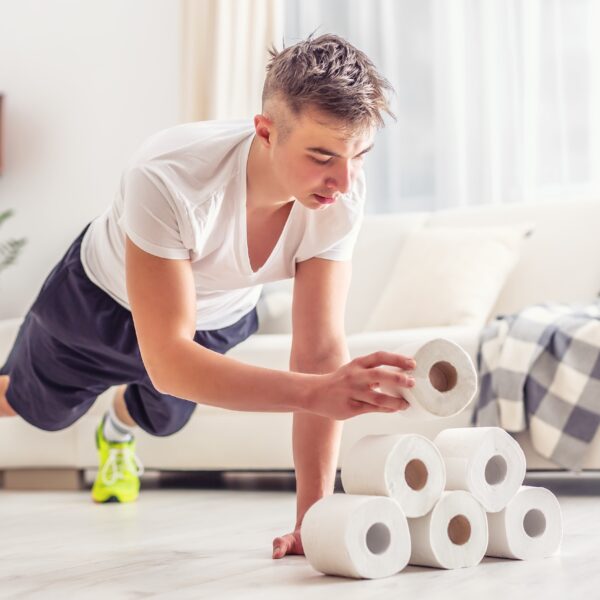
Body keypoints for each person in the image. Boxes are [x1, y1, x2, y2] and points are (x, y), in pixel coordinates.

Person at [0, 33, 417, 560]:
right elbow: (171, 360)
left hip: (211, 319)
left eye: (360, 154)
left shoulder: (340, 195)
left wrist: (313, 523)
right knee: (31, 408)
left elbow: (318, 356)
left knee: (165, 418)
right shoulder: (169, 176)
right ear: (266, 132)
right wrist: (316, 392)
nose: (344, 179)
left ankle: (117, 426)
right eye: (321, 155)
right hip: (99, 304)